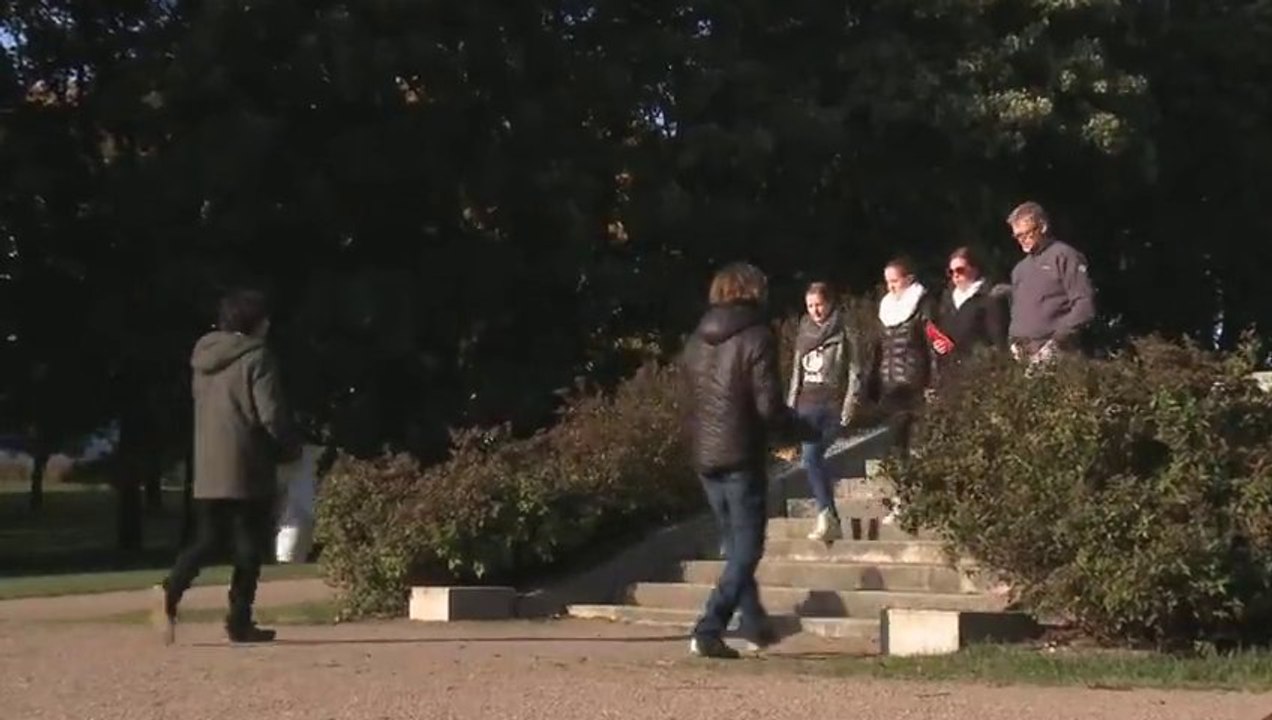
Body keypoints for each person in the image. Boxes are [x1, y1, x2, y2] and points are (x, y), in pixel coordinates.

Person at [154, 288, 300, 645]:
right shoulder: (258, 358)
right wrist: (290, 445)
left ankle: (170, 591)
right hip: (248, 462)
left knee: (207, 539)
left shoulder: (202, 359)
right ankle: (239, 619)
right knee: (249, 547)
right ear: (256, 322)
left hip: (209, 463)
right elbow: (270, 413)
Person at [681, 262, 810, 659]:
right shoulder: (757, 336)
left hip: (706, 454)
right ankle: (709, 627)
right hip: (740, 453)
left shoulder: (695, 341)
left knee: (735, 544)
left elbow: (691, 401)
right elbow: (768, 405)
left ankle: (753, 622)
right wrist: (799, 429)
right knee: (747, 549)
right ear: (753, 292)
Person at [786, 282, 861, 543]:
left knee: (813, 456)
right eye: (810, 306)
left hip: (831, 405)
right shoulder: (804, 331)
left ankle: (828, 516)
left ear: (829, 303)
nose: (815, 310)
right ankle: (828, 516)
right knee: (811, 458)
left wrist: (849, 404)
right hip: (806, 404)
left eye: (819, 304)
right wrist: (790, 408)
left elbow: (854, 371)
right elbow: (797, 372)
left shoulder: (844, 329)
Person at [1005, 201, 1096, 365]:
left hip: (1058, 356)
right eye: (1018, 236)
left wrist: (1056, 343)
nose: (1022, 240)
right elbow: (1017, 313)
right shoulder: (1019, 270)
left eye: (1027, 233)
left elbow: (1084, 306)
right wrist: (1013, 342)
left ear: (1043, 227)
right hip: (1023, 359)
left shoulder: (1065, 256)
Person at [865, 258, 937, 457]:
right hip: (889, 383)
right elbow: (879, 348)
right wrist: (872, 381)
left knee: (912, 440)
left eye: (895, 281)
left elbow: (933, 346)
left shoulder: (923, 305)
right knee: (895, 443)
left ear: (909, 279)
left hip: (913, 382)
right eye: (888, 282)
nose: (891, 287)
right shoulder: (886, 308)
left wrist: (933, 383)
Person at [931, 246, 1009, 378]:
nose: (955, 275)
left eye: (960, 270)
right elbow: (943, 332)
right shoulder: (947, 299)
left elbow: (998, 340)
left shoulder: (988, 298)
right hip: (950, 372)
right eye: (951, 272)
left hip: (978, 373)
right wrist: (939, 345)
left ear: (974, 269)